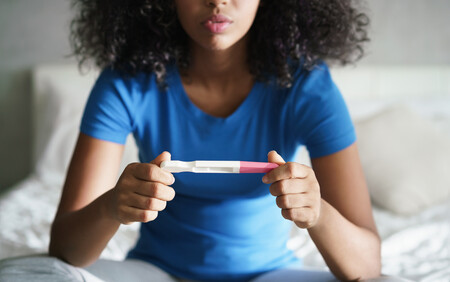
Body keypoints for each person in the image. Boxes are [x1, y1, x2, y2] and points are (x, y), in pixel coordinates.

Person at [0, 0, 395, 281]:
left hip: (269, 274)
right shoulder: (125, 81)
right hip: (154, 273)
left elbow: (366, 265)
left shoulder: (308, 86)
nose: (217, 1)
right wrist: (111, 207)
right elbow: (66, 251)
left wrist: (318, 213)